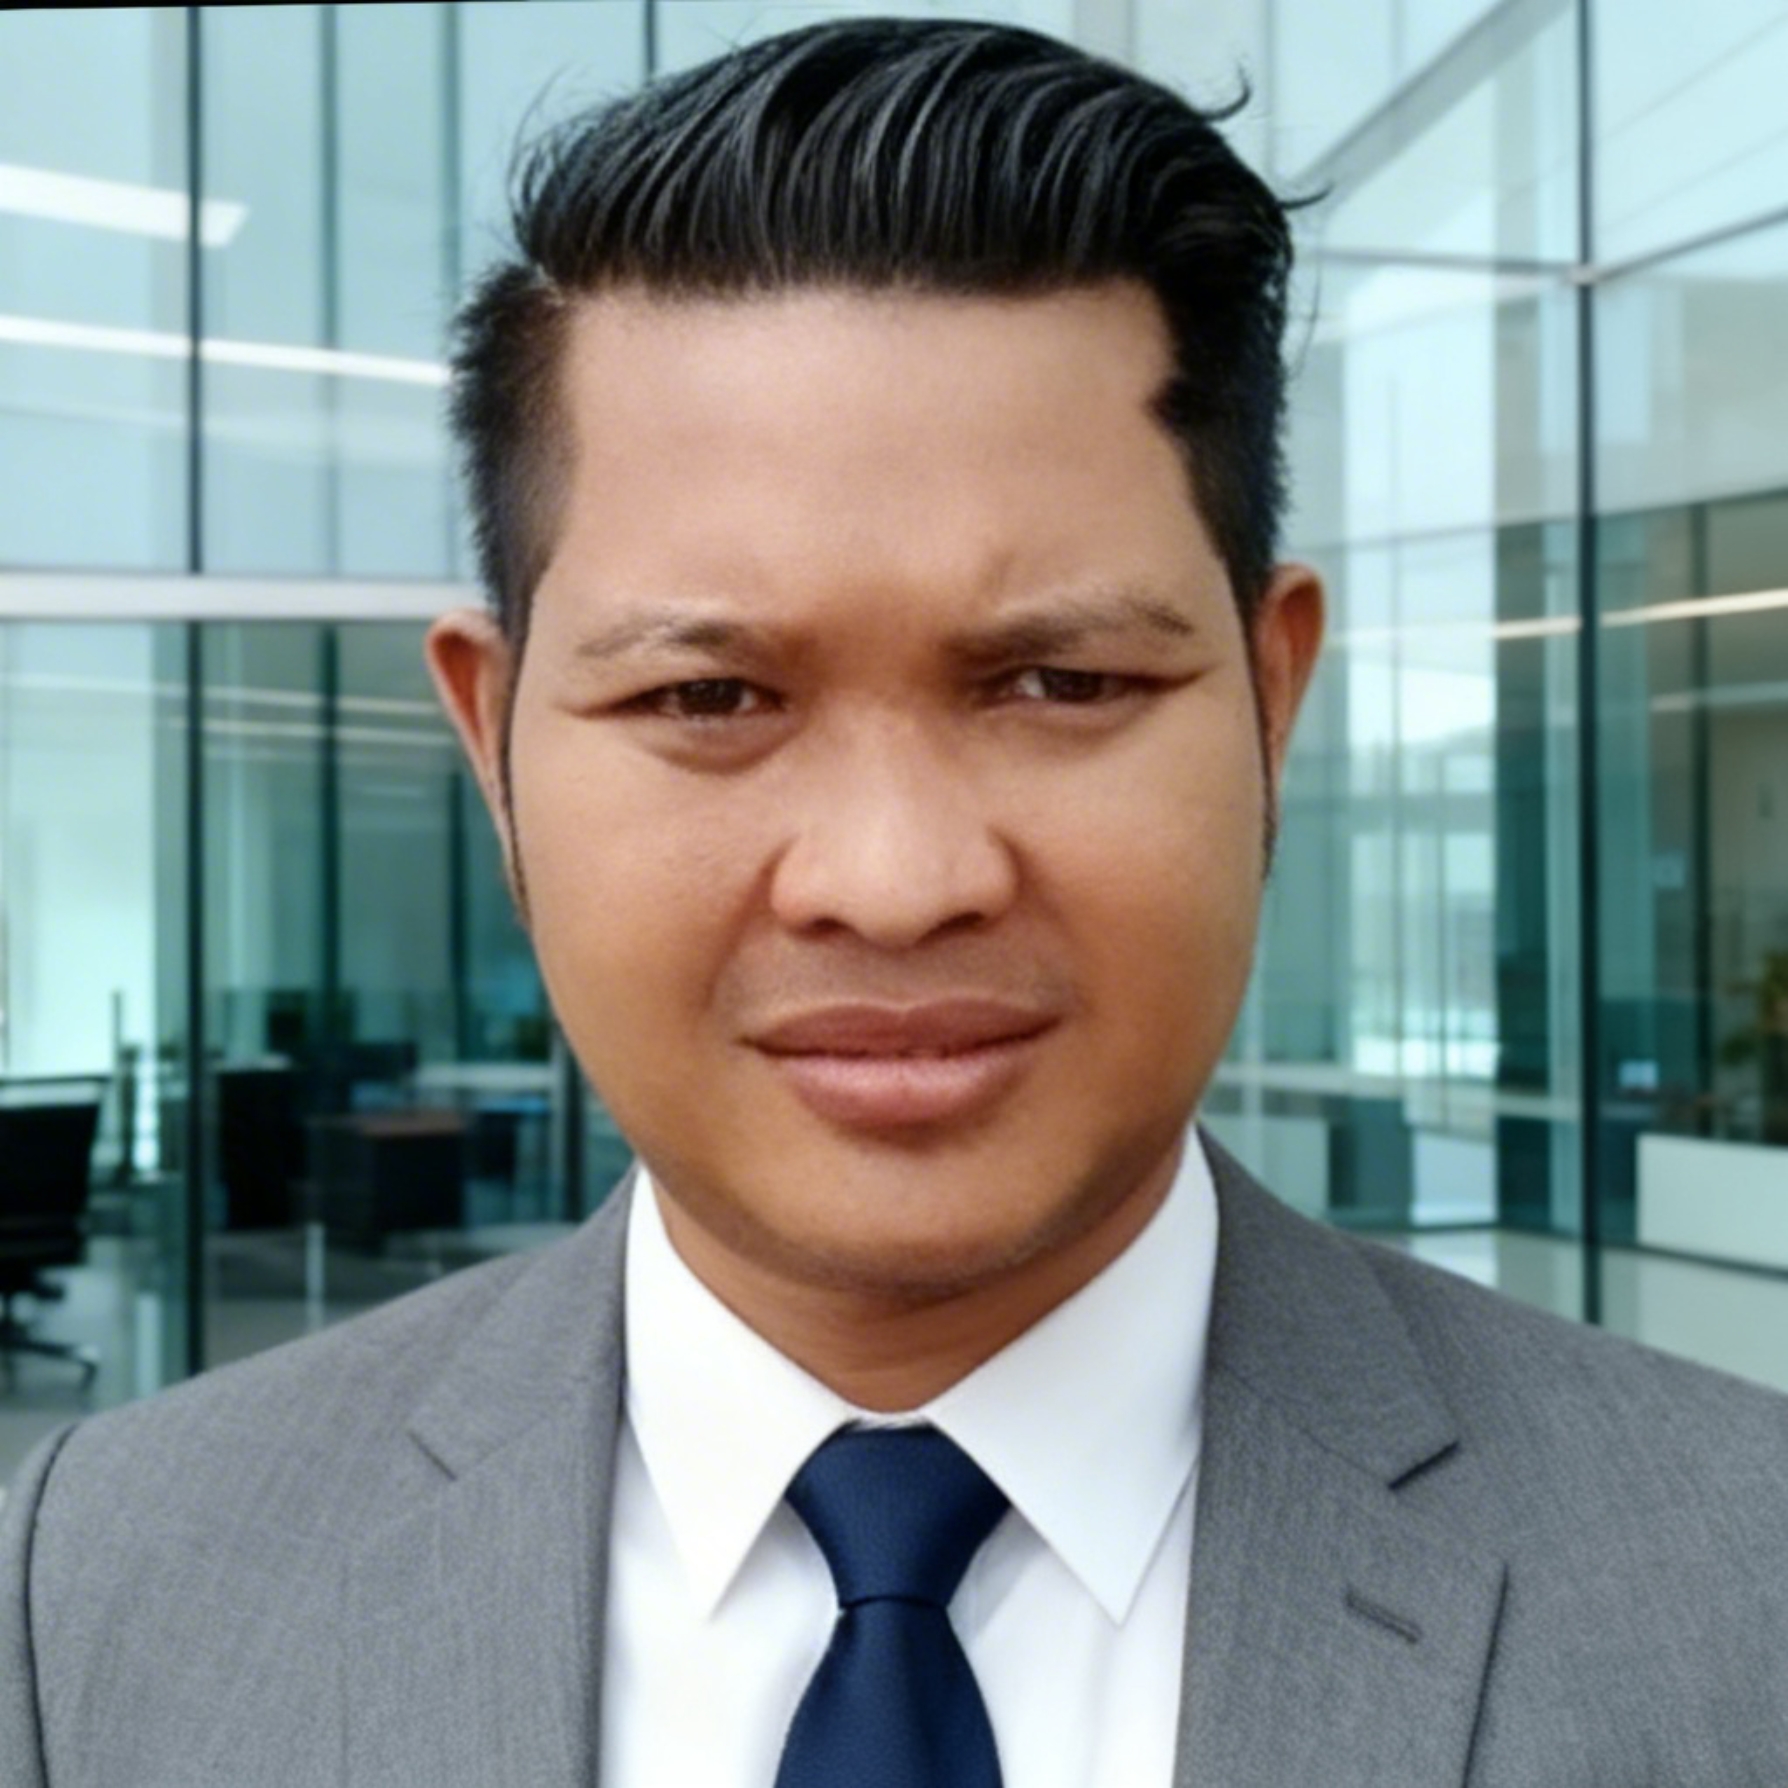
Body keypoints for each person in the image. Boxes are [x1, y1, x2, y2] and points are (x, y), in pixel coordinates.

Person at [4, 18, 1786, 1786]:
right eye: (710, 696)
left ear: (1271, 700)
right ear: (494, 744)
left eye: (1061, 683)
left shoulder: (1742, 1593)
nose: (896, 881)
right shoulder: (98, 1597)